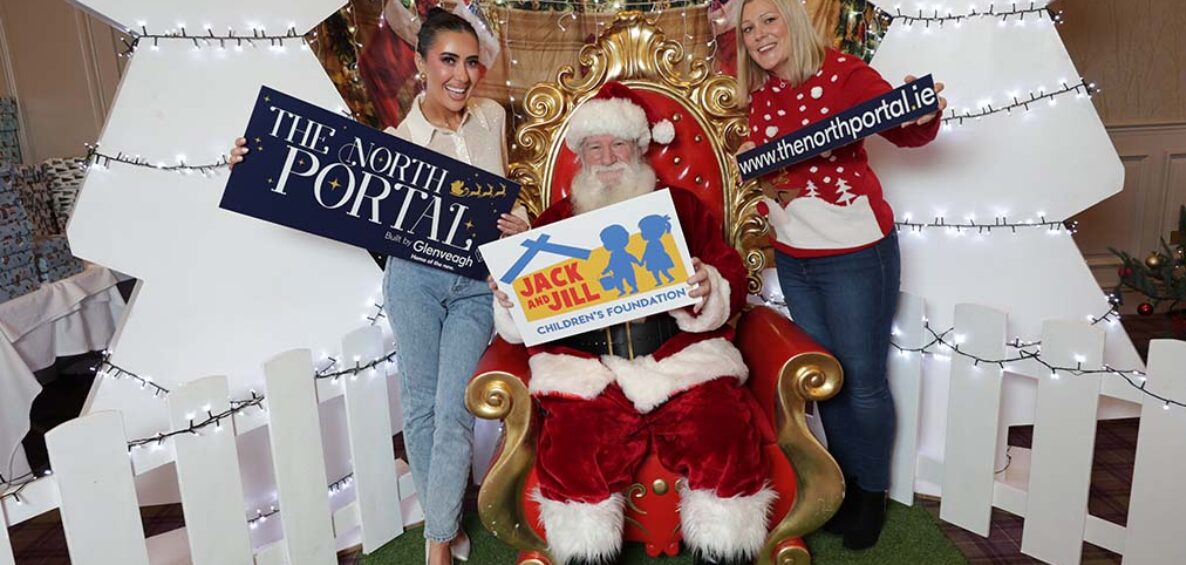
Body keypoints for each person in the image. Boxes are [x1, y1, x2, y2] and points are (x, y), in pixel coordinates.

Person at [229, 8, 528, 565]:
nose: (460, 75)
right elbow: (313, 178)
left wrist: (520, 222)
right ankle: (446, 528)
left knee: (453, 406)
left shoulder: (492, 118)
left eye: (470, 62)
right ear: (420, 63)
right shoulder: (396, 143)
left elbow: (505, 201)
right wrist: (253, 161)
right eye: (447, 61)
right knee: (418, 406)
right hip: (414, 281)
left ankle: (435, 541)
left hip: (472, 286)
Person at [490, 82, 773, 565]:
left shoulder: (680, 207)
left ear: (640, 147)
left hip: (677, 358)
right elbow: (524, 318)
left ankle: (725, 550)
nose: (606, 157)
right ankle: (586, 556)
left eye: (618, 144)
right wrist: (511, 296)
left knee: (721, 431)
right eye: (594, 146)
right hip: (589, 365)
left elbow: (727, 270)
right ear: (579, 156)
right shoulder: (553, 222)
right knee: (575, 451)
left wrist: (709, 285)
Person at [734, 0, 946, 550]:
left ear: (793, 21)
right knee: (828, 380)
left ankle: (871, 494)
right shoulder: (760, 95)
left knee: (865, 381)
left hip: (855, 253)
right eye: (749, 28)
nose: (759, 36)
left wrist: (919, 115)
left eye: (769, 21)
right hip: (796, 257)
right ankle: (848, 485)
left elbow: (902, 128)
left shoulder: (843, 74)